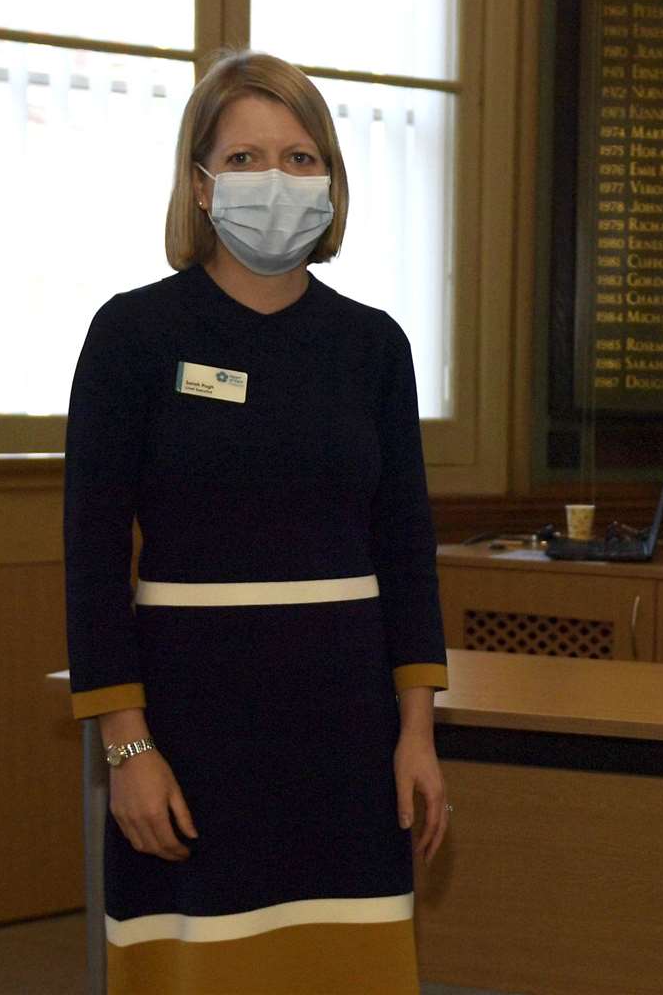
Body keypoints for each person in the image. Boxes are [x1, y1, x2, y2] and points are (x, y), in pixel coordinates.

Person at [65, 49, 449, 994]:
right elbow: (91, 555)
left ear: (331, 180)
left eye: (300, 156)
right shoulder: (131, 337)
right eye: (243, 159)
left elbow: (405, 548)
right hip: (190, 735)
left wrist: (417, 731)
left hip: (348, 737)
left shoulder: (375, 346)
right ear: (199, 185)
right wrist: (127, 747)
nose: (274, 179)